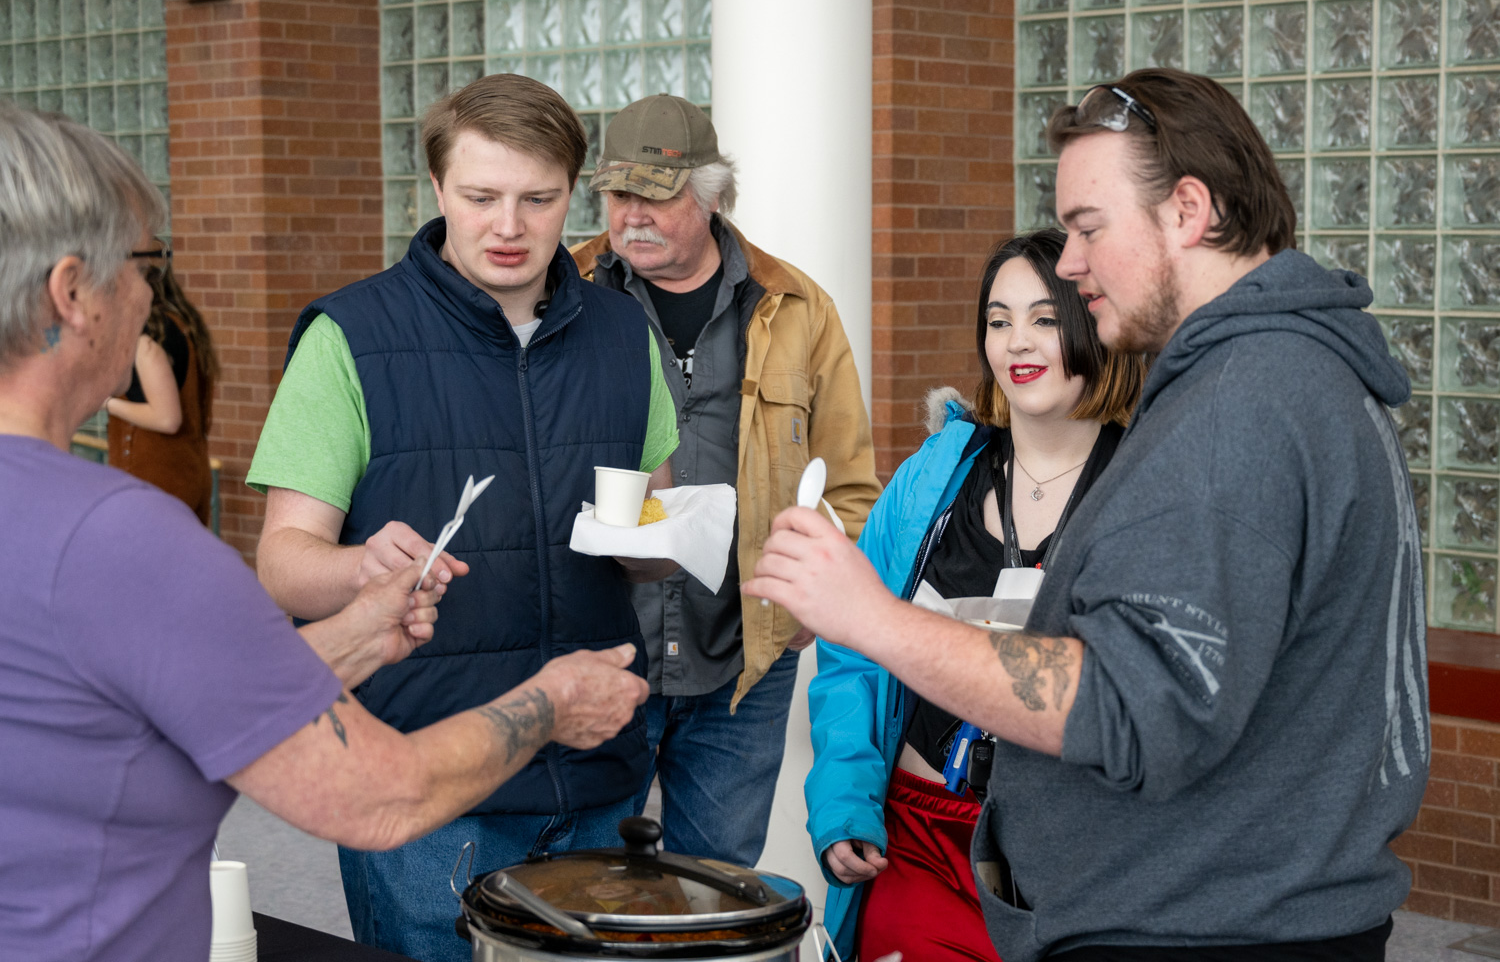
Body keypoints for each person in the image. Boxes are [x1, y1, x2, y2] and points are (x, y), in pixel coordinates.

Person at [747, 68, 1428, 961]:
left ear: (1187, 210)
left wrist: (871, 616)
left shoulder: (1241, 406)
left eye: (1087, 228)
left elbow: (1132, 706)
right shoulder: (1279, 379)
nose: (1069, 263)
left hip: (1203, 931)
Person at [0, 105, 649, 962]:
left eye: (538, 199)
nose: (154, 295)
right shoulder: (119, 539)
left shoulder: (615, 334)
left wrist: (350, 635)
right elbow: (379, 797)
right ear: (70, 291)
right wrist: (552, 704)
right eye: (146, 263)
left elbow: (181, 706)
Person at [248, 74, 679, 961]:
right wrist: (362, 566)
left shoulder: (620, 332)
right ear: (438, 189)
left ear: (574, 194)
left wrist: (670, 544)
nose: (509, 226)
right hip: (423, 787)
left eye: (539, 199)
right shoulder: (350, 335)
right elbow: (285, 562)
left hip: (598, 773)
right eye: (481, 197)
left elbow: (653, 531)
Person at [804, 229, 1144, 962]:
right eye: (998, 320)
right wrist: (842, 803)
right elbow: (854, 648)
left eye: (1045, 319)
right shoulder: (937, 473)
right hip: (919, 837)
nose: (1017, 342)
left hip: (1072, 851)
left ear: (1092, 322)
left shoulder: (1144, 486)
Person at [571, 93, 881, 867]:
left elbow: (849, 485)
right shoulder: (561, 292)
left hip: (740, 662)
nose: (630, 214)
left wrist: (818, 591)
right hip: (597, 651)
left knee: (715, 894)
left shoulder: (799, 308)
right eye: (617, 194)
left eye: (656, 194)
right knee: (583, 891)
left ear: (711, 198)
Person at [105, 247, 218, 524]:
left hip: (159, 481)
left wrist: (108, 403)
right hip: (188, 473)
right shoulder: (185, 326)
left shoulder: (150, 337)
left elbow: (167, 418)